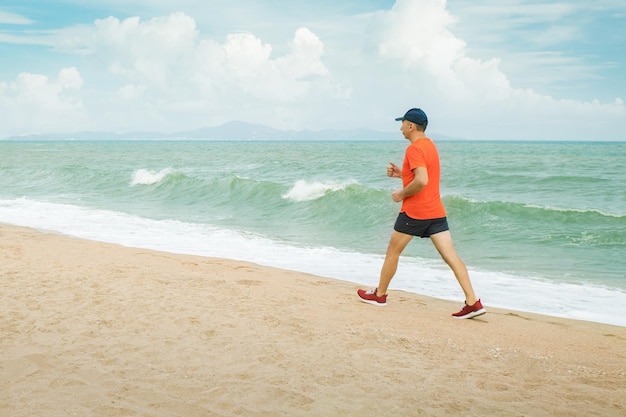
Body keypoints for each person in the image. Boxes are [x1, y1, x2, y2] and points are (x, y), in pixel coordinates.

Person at [357, 108, 486, 319]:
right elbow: (423, 176)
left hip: (415, 213)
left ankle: (380, 295)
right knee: (451, 256)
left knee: (392, 252)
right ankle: (473, 302)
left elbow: (422, 181)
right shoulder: (431, 146)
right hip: (436, 212)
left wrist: (401, 194)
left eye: (402, 124)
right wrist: (402, 174)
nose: (400, 128)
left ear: (411, 126)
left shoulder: (414, 149)